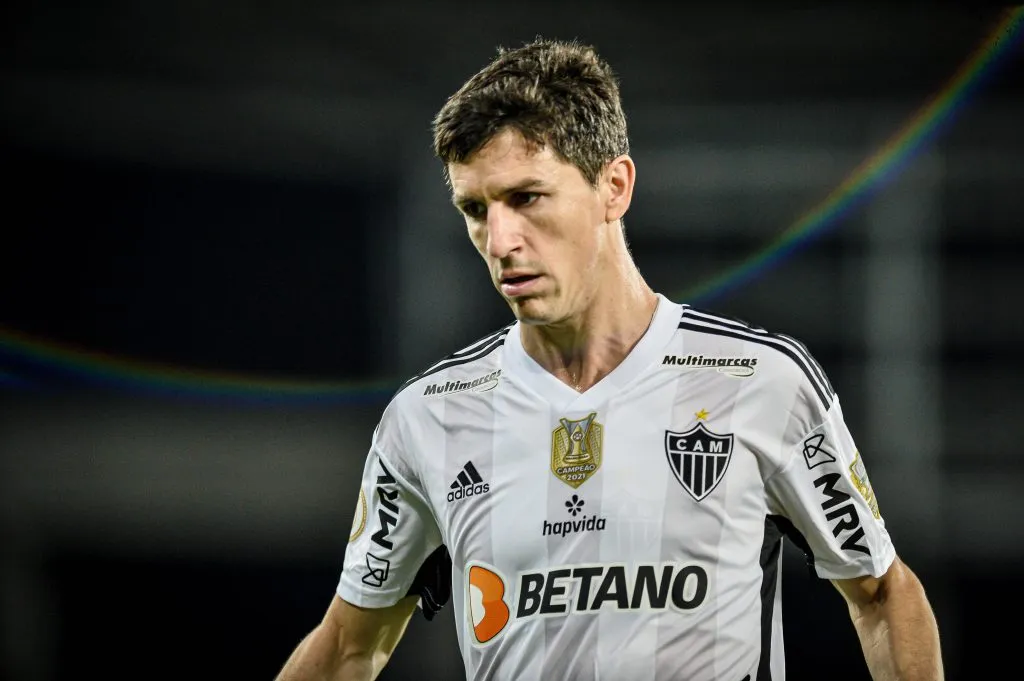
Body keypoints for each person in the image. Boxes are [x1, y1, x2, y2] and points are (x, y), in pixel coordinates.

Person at [275, 38, 944, 681]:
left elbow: (882, 592)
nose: (499, 239)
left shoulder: (763, 383)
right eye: (475, 208)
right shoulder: (428, 417)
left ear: (614, 187)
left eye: (526, 197)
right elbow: (345, 646)